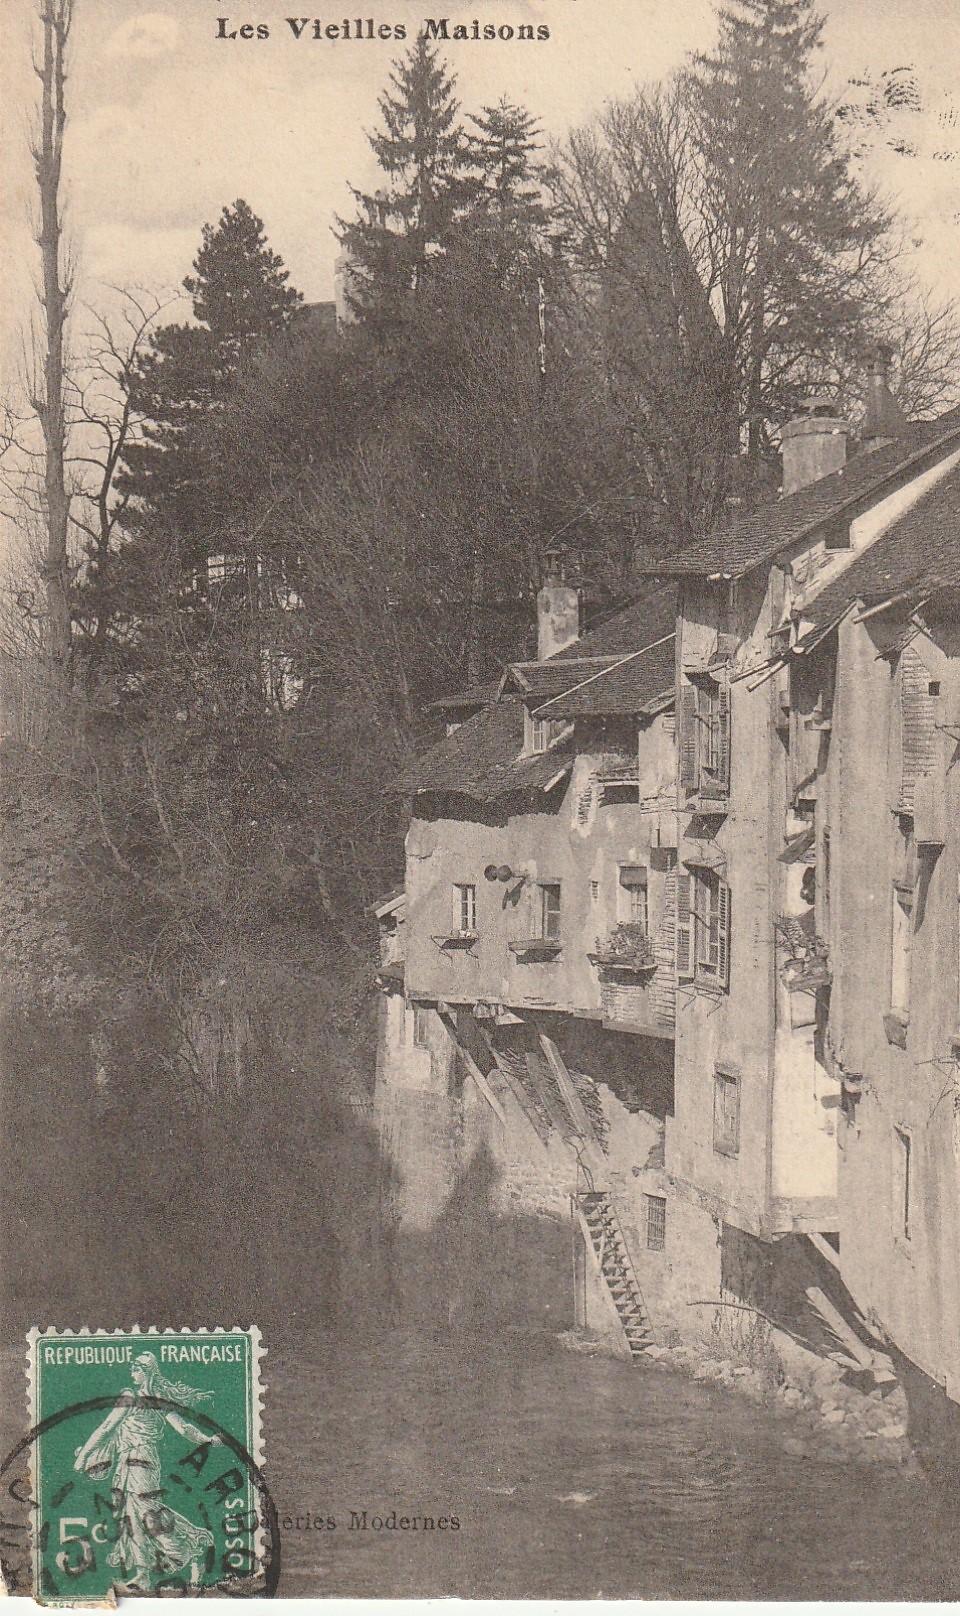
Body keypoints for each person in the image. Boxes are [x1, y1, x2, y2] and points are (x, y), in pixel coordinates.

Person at [73, 1352, 221, 1591]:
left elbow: (106, 1427)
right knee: (131, 1516)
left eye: (138, 1366)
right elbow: (112, 1431)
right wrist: (207, 1439)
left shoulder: (133, 1397)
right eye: (133, 1365)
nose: (133, 1369)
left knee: (147, 1514)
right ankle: (144, 1574)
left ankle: (194, 1545)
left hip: (141, 1461)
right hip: (129, 1461)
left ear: (149, 1371)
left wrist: (82, 1459)